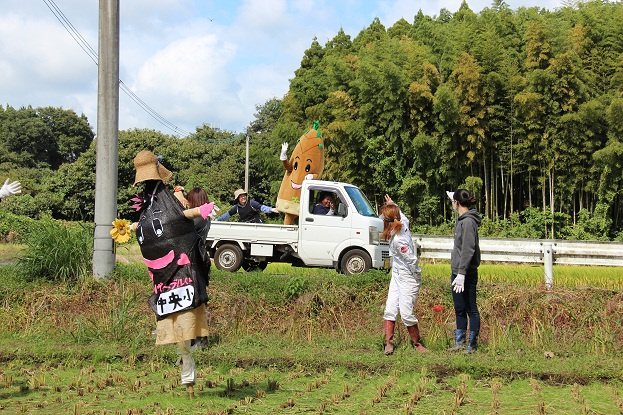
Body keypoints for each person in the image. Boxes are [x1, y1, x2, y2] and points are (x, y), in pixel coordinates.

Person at [129, 150, 215, 398]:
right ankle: (186, 365)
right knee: (180, 331)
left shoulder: (166, 205)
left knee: (186, 326)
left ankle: (188, 363)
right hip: (172, 277)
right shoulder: (153, 205)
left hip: (184, 271)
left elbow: (184, 223)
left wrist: (196, 213)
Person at [381, 194, 428, 355]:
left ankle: (417, 344)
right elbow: (402, 215)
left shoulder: (399, 239)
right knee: (390, 308)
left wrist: (416, 276)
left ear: (388, 222)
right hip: (397, 273)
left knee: (406, 312)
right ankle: (388, 342)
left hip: (408, 276)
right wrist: (392, 204)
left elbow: (411, 259)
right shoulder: (403, 222)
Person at [446, 189, 482, 354]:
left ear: (457, 203)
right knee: (459, 307)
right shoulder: (462, 219)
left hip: (466, 272)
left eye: (453, 202)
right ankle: (459, 342)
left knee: (470, 308)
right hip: (457, 271)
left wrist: (461, 273)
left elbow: (468, 249)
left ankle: (472, 344)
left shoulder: (468, 222)